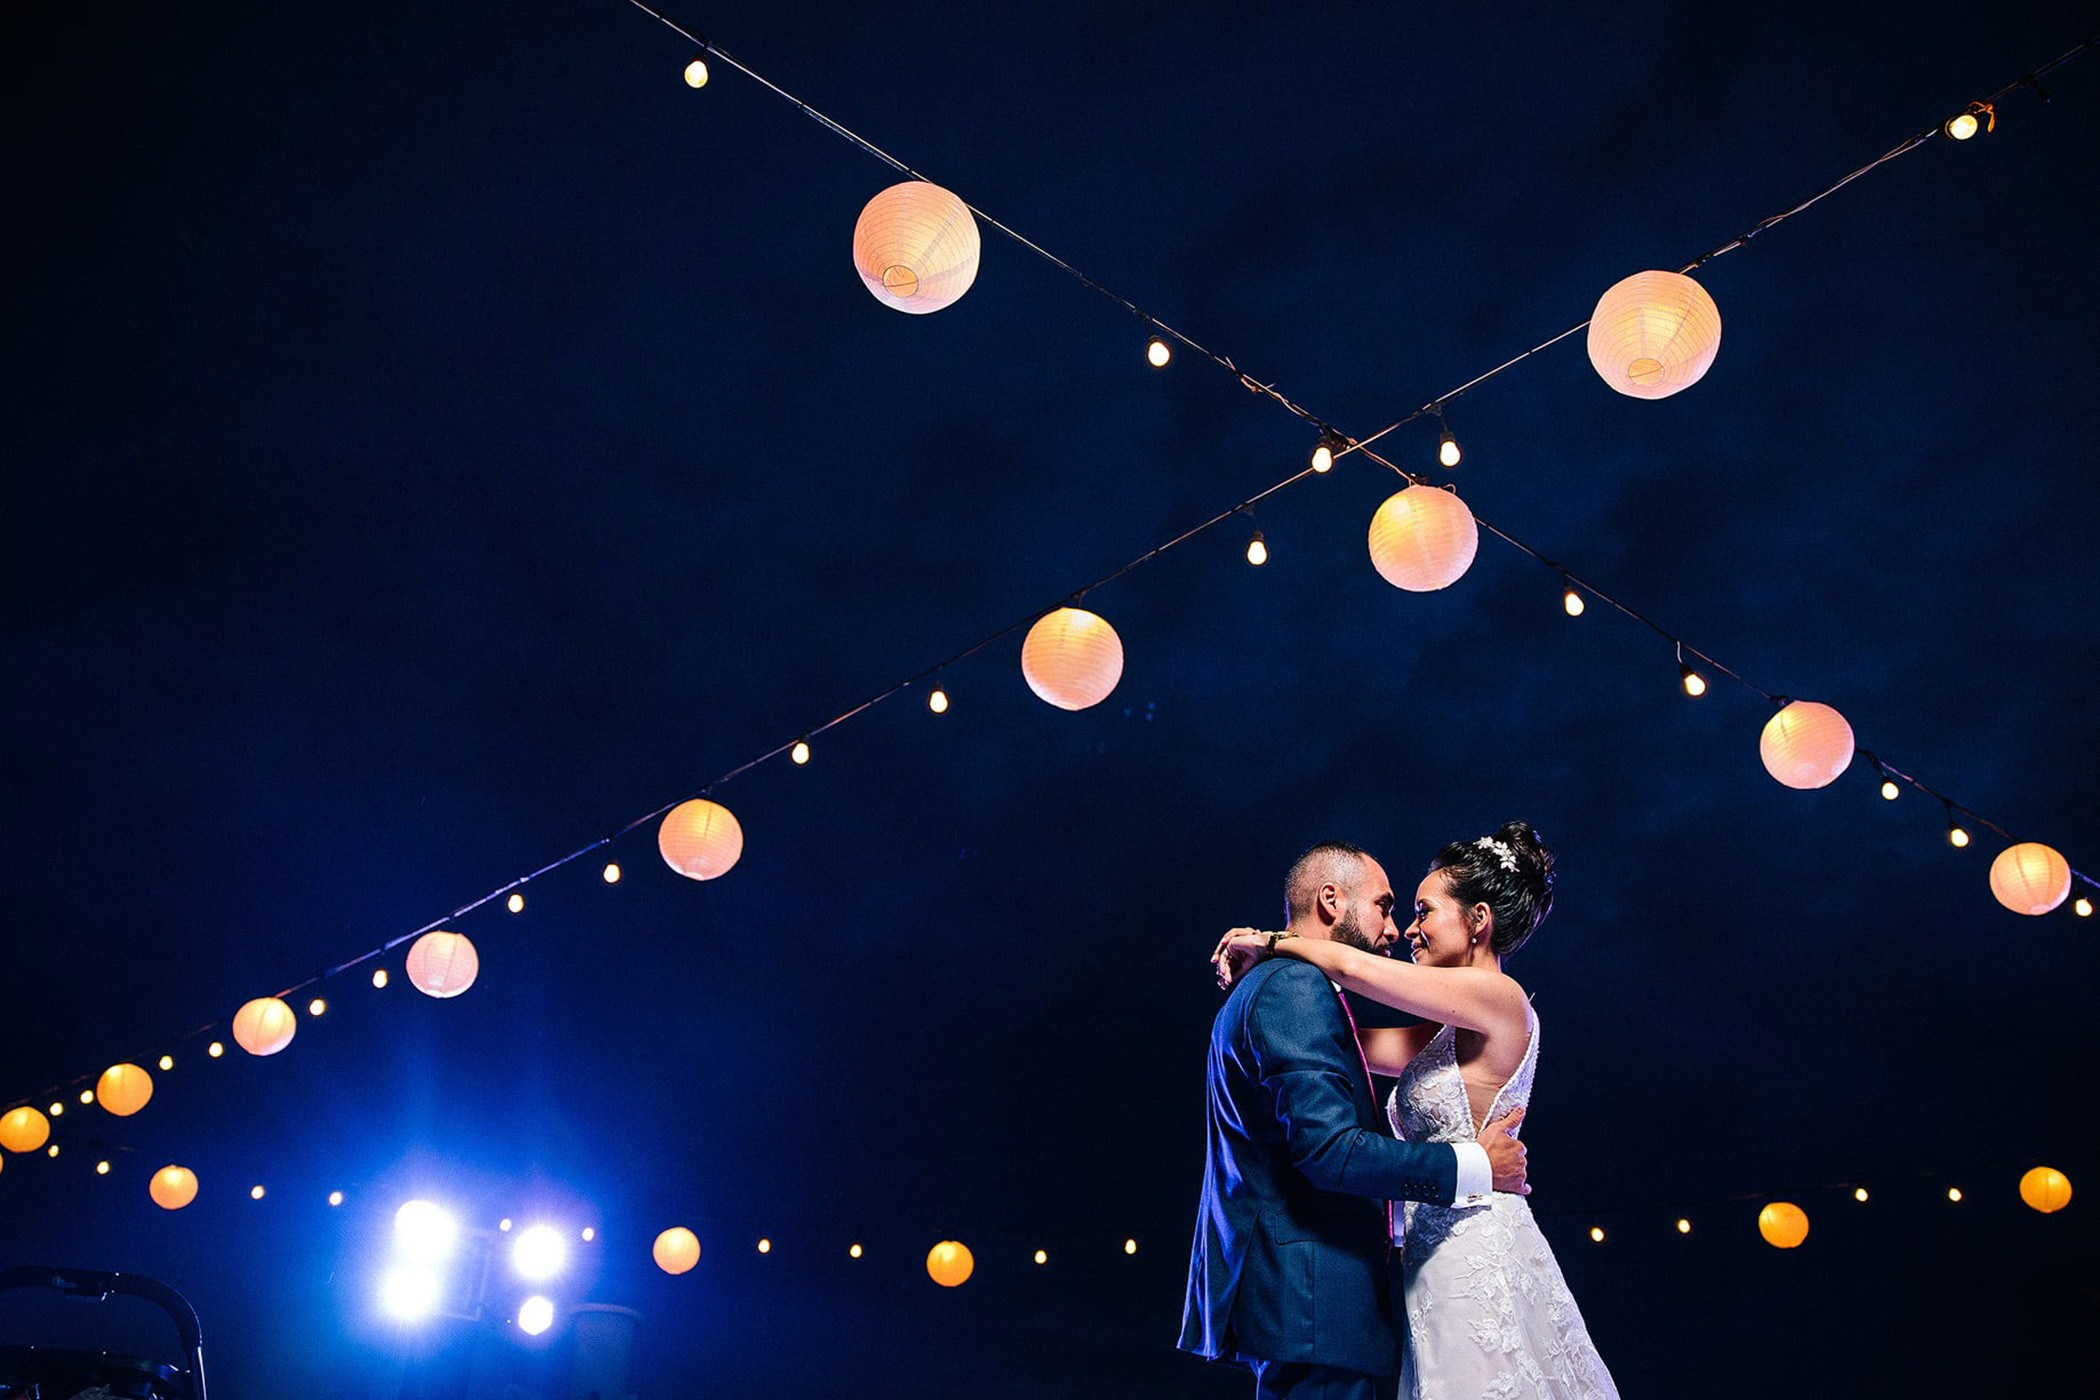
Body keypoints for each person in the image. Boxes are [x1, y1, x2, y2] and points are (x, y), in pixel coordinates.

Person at [1212, 822, 1617, 1400]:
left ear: (1478, 920)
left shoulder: (1500, 997)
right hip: (1423, 1263)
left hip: (1477, 1249)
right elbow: (1350, 1044)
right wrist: (1278, 988)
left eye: (1424, 912)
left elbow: (1357, 972)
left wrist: (1272, 942)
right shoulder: (1441, 1030)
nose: (1409, 930)